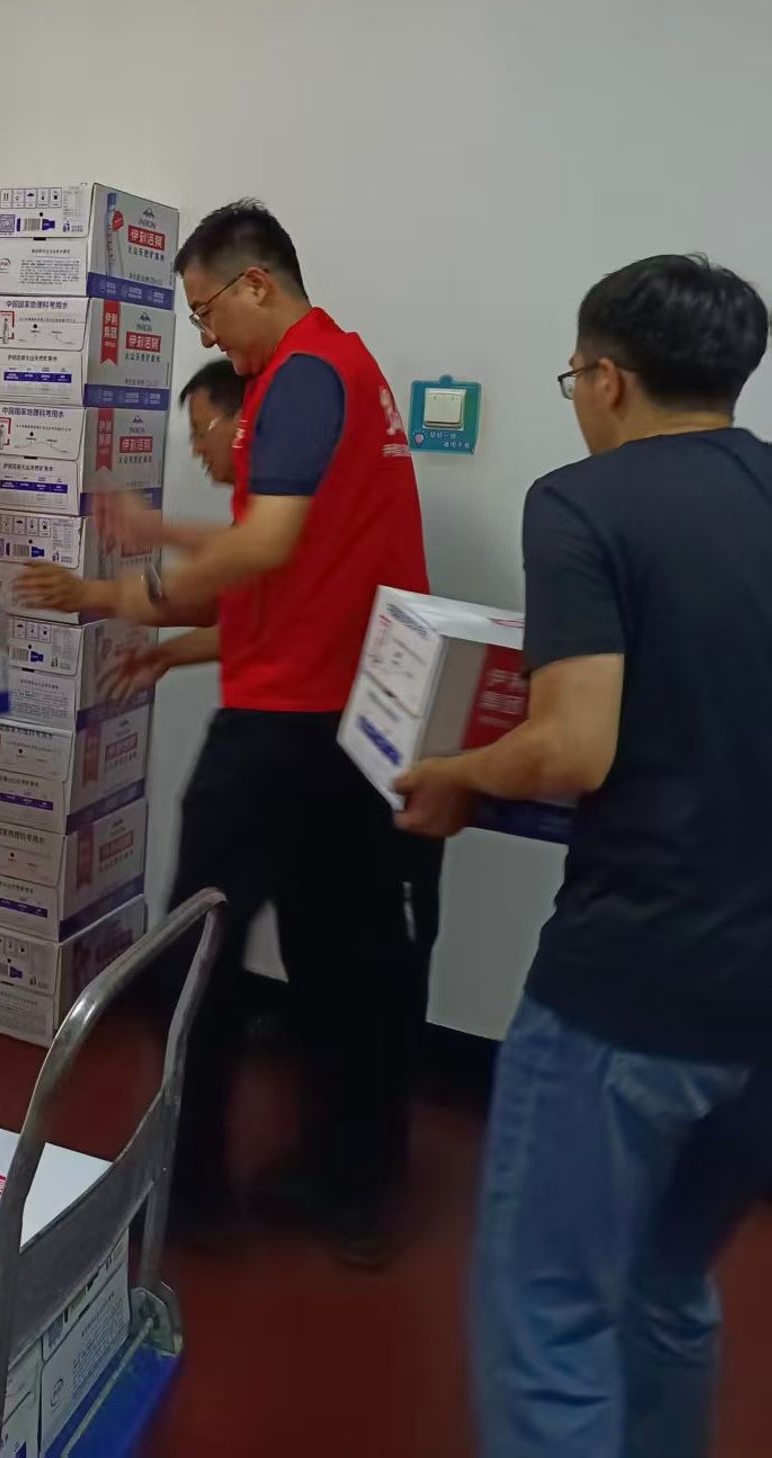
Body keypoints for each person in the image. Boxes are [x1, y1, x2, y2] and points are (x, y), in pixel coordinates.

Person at [396, 255, 772, 1458]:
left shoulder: (584, 503)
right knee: (667, 1286)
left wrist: (457, 774)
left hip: (633, 992)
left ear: (608, 379)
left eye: (572, 379)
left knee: (551, 1318)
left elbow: (570, 746)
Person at [20, 200, 437, 1264]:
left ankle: (186, 1187)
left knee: (196, 950)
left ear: (258, 284)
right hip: (354, 718)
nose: (207, 334)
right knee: (343, 959)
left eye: (207, 311)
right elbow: (298, 548)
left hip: (285, 721)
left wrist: (129, 593)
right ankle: (350, 1182)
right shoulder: (351, 370)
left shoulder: (299, 374)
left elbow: (268, 547)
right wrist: (166, 546)